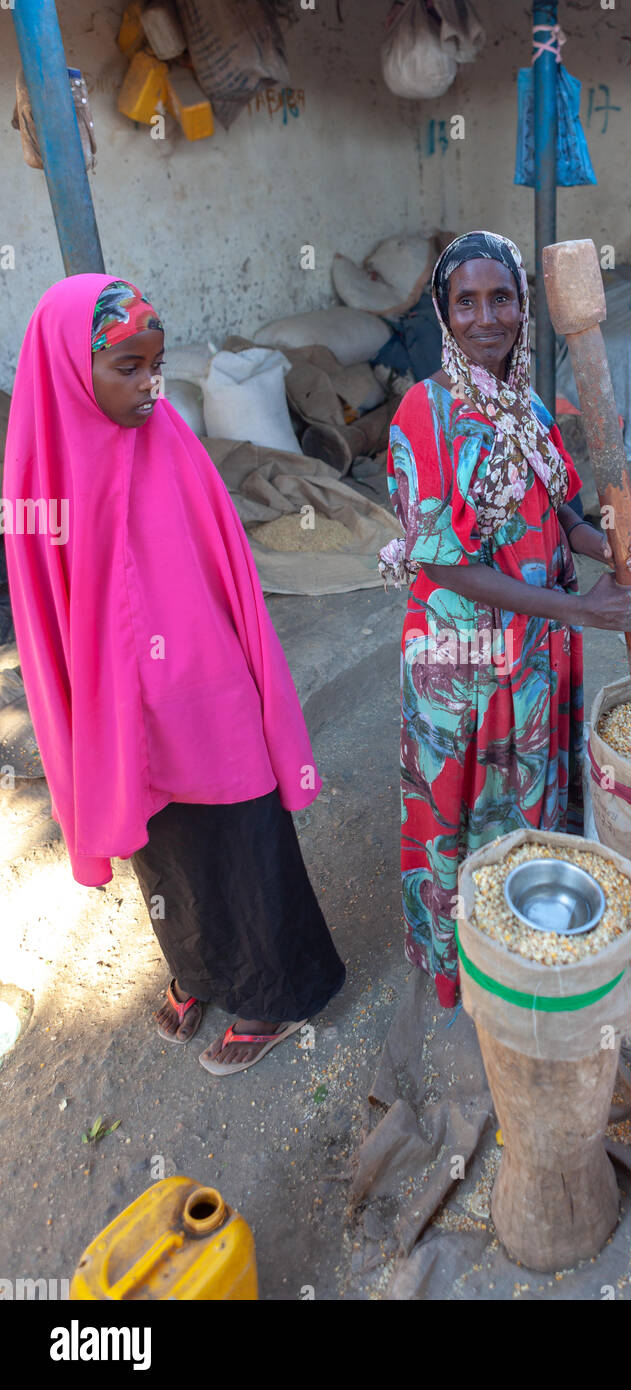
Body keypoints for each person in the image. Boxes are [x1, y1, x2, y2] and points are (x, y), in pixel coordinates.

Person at [3, 275, 344, 1074]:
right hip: (120, 703)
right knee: (161, 845)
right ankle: (198, 968)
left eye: (155, 364)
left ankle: (276, 992)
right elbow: (41, 609)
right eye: (128, 366)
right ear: (68, 369)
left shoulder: (172, 445)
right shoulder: (38, 471)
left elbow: (224, 571)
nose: (151, 384)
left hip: (204, 691)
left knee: (241, 834)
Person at [380, 231, 631, 1007]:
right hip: (461, 664)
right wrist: (584, 609)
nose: (484, 317)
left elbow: (560, 510)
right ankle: (459, 969)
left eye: (499, 297)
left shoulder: (530, 404)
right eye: (464, 301)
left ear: (522, 306)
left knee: (522, 807)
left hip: (532, 652)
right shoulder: (423, 414)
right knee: (459, 814)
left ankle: (518, 954)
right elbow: (442, 564)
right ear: (442, 311)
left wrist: (610, 548)